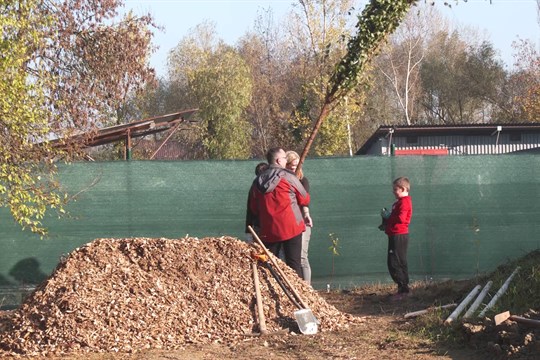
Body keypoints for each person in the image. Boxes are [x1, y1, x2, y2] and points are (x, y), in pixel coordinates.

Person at [248, 147, 310, 278]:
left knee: (270, 266)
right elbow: (304, 197)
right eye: (284, 158)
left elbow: (253, 208)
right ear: (278, 160)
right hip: (292, 227)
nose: (286, 160)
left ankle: (274, 293)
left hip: (269, 230)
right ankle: (297, 295)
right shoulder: (289, 177)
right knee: (294, 266)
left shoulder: (257, 182)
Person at [381, 177, 413, 300]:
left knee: (395, 262)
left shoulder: (405, 202)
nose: (393, 192)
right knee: (398, 261)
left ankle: (404, 290)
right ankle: (403, 289)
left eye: (396, 189)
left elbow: (401, 219)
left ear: (403, 189)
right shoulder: (398, 202)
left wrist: (389, 217)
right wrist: (386, 222)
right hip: (395, 234)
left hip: (399, 235)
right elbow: (396, 217)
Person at [285, 150, 313, 285]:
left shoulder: (303, 181)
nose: (293, 168)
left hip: (301, 222)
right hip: (287, 223)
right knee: (289, 257)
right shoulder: (282, 181)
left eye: (296, 165)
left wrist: (306, 214)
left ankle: (307, 288)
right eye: (290, 165)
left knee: (302, 257)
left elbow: (304, 201)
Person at [245, 162, 268, 242]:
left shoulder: (275, 186)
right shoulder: (254, 188)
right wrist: (248, 232)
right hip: (259, 226)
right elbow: (250, 210)